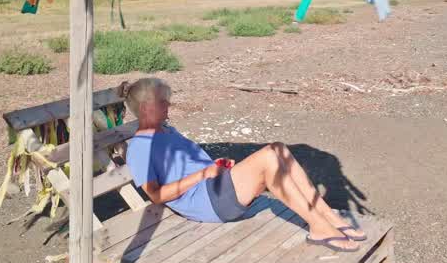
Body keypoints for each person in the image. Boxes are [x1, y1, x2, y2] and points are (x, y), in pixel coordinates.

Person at [120, 77, 365, 252]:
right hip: (206, 203)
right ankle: (319, 227)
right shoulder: (140, 148)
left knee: (278, 148)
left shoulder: (167, 131)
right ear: (146, 108)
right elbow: (156, 195)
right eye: (163, 102)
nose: (169, 105)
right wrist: (204, 174)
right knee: (269, 158)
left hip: (213, 188)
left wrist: (216, 167)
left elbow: (189, 166)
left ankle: (327, 216)